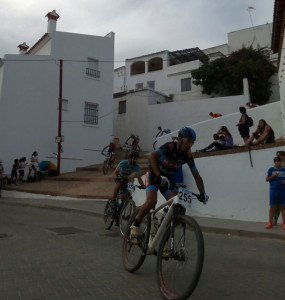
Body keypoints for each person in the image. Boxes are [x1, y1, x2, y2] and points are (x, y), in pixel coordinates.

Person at [130, 126, 208, 243]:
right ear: (180, 138)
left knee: (177, 206)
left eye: (192, 143)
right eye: (188, 141)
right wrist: (157, 174)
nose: (189, 145)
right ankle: (135, 225)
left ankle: (164, 240)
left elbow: (196, 176)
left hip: (167, 179)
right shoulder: (169, 147)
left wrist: (202, 193)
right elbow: (152, 156)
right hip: (153, 174)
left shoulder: (187, 156)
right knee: (152, 201)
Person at [265, 157, 285, 230]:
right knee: (272, 206)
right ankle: (270, 222)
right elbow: (267, 179)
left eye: (279, 161)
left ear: (281, 162)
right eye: (276, 161)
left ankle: (284, 223)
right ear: (274, 162)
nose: (278, 163)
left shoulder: (284, 170)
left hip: (283, 190)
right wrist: (273, 176)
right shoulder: (271, 169)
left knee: (283, 207)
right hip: (273, 190)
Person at [273, 151, 285, 225]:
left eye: (280, 155)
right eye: (277, 156)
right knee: (277, 204)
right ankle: (275, 219)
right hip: (278, 187)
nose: (278, 157)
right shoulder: (277, 166)